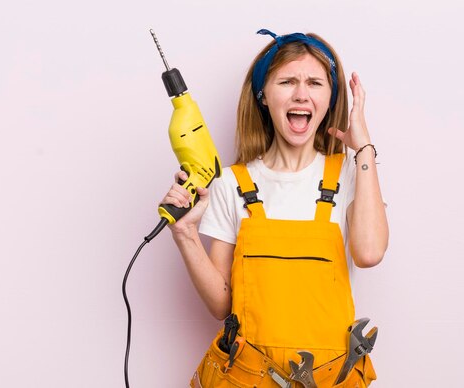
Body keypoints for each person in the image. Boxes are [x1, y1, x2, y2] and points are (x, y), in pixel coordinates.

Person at [161, 29, 388, 387]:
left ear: (331, 97)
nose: (301, 94)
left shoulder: (352, 172)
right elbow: (222, 305)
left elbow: (370, 252)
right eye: (287, 81)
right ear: (263, 95)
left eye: (315, 82)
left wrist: (364, 149)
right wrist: (185, 233)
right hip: (245, 378)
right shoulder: (231, 183)